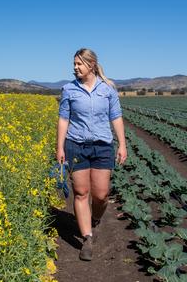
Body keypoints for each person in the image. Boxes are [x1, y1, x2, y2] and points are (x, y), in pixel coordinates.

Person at [56, 48, 127, 261]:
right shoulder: (69, 90)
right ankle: (87, 237)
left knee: (101, 194)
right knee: (80, 192)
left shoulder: (108, 89)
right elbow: (63, 120)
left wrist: (122, 144)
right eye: (74, 64)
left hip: (102, 146)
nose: (75, 67)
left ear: (91, 65)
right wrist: (59, 147)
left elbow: (116, 117)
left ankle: (95, 217)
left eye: (79, 64)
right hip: (75, 145)